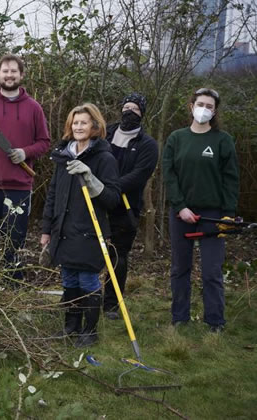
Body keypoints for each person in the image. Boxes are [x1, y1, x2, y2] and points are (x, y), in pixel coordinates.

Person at [40, 103, 120, 348]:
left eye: (83, 122)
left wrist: (90, 177)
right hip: (63, 230)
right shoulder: (63, 156)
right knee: (69, 281)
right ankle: (70, 326)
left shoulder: (104, 158)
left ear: (95, 126)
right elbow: (53, 194)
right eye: (75, 122)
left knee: (87, 281)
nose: (78, 126)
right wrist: (46, 230)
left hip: (89, 231)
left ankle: (89, 331)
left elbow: (113, 199)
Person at [0, 54, 50, 282]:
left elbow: (44, 142)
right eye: (5, 71)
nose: (9, 75)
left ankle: (12, 285)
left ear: (21, 75)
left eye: (14, 71)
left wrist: (25, 152)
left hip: (19, 188)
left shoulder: (34, 108)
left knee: (14, 239)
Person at [162, 88, 239, 332]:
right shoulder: (176, 138)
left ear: (215, 111)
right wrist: (180, 206)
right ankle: (179, 318)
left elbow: (231, 179)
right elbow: (169, 174)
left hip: (213, 215)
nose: (204, 109)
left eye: (209, 106)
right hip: (181, 214)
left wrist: (228, 213)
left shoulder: (222, 140)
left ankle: (215, 321)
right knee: (180, 268)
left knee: (212, 271)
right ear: (191, 105)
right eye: (200, 104)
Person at [103, 93, 159, 319]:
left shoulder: (147, 144)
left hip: (125, 206)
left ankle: (110, 304)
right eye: (126, 107)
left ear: (142, 114)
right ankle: (81, 297)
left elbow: (139, 175)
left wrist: (111, 187)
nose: (129, 112)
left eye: (135, 109)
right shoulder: (105, 133)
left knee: (118, 255)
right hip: (96, 201)